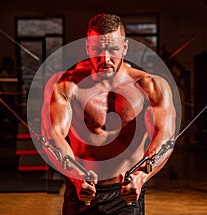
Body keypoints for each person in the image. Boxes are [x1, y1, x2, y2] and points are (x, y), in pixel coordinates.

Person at [41, 13, 176, 215]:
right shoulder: (65, 85)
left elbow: (165, 137)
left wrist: (141, 176)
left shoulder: (150, 86)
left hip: (126, 193)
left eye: (112, 49)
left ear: (124, 47)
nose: (105, 58)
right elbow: (53, 135)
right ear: (88, 47)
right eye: (97, 49)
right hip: (81, 190)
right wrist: (76, 176)